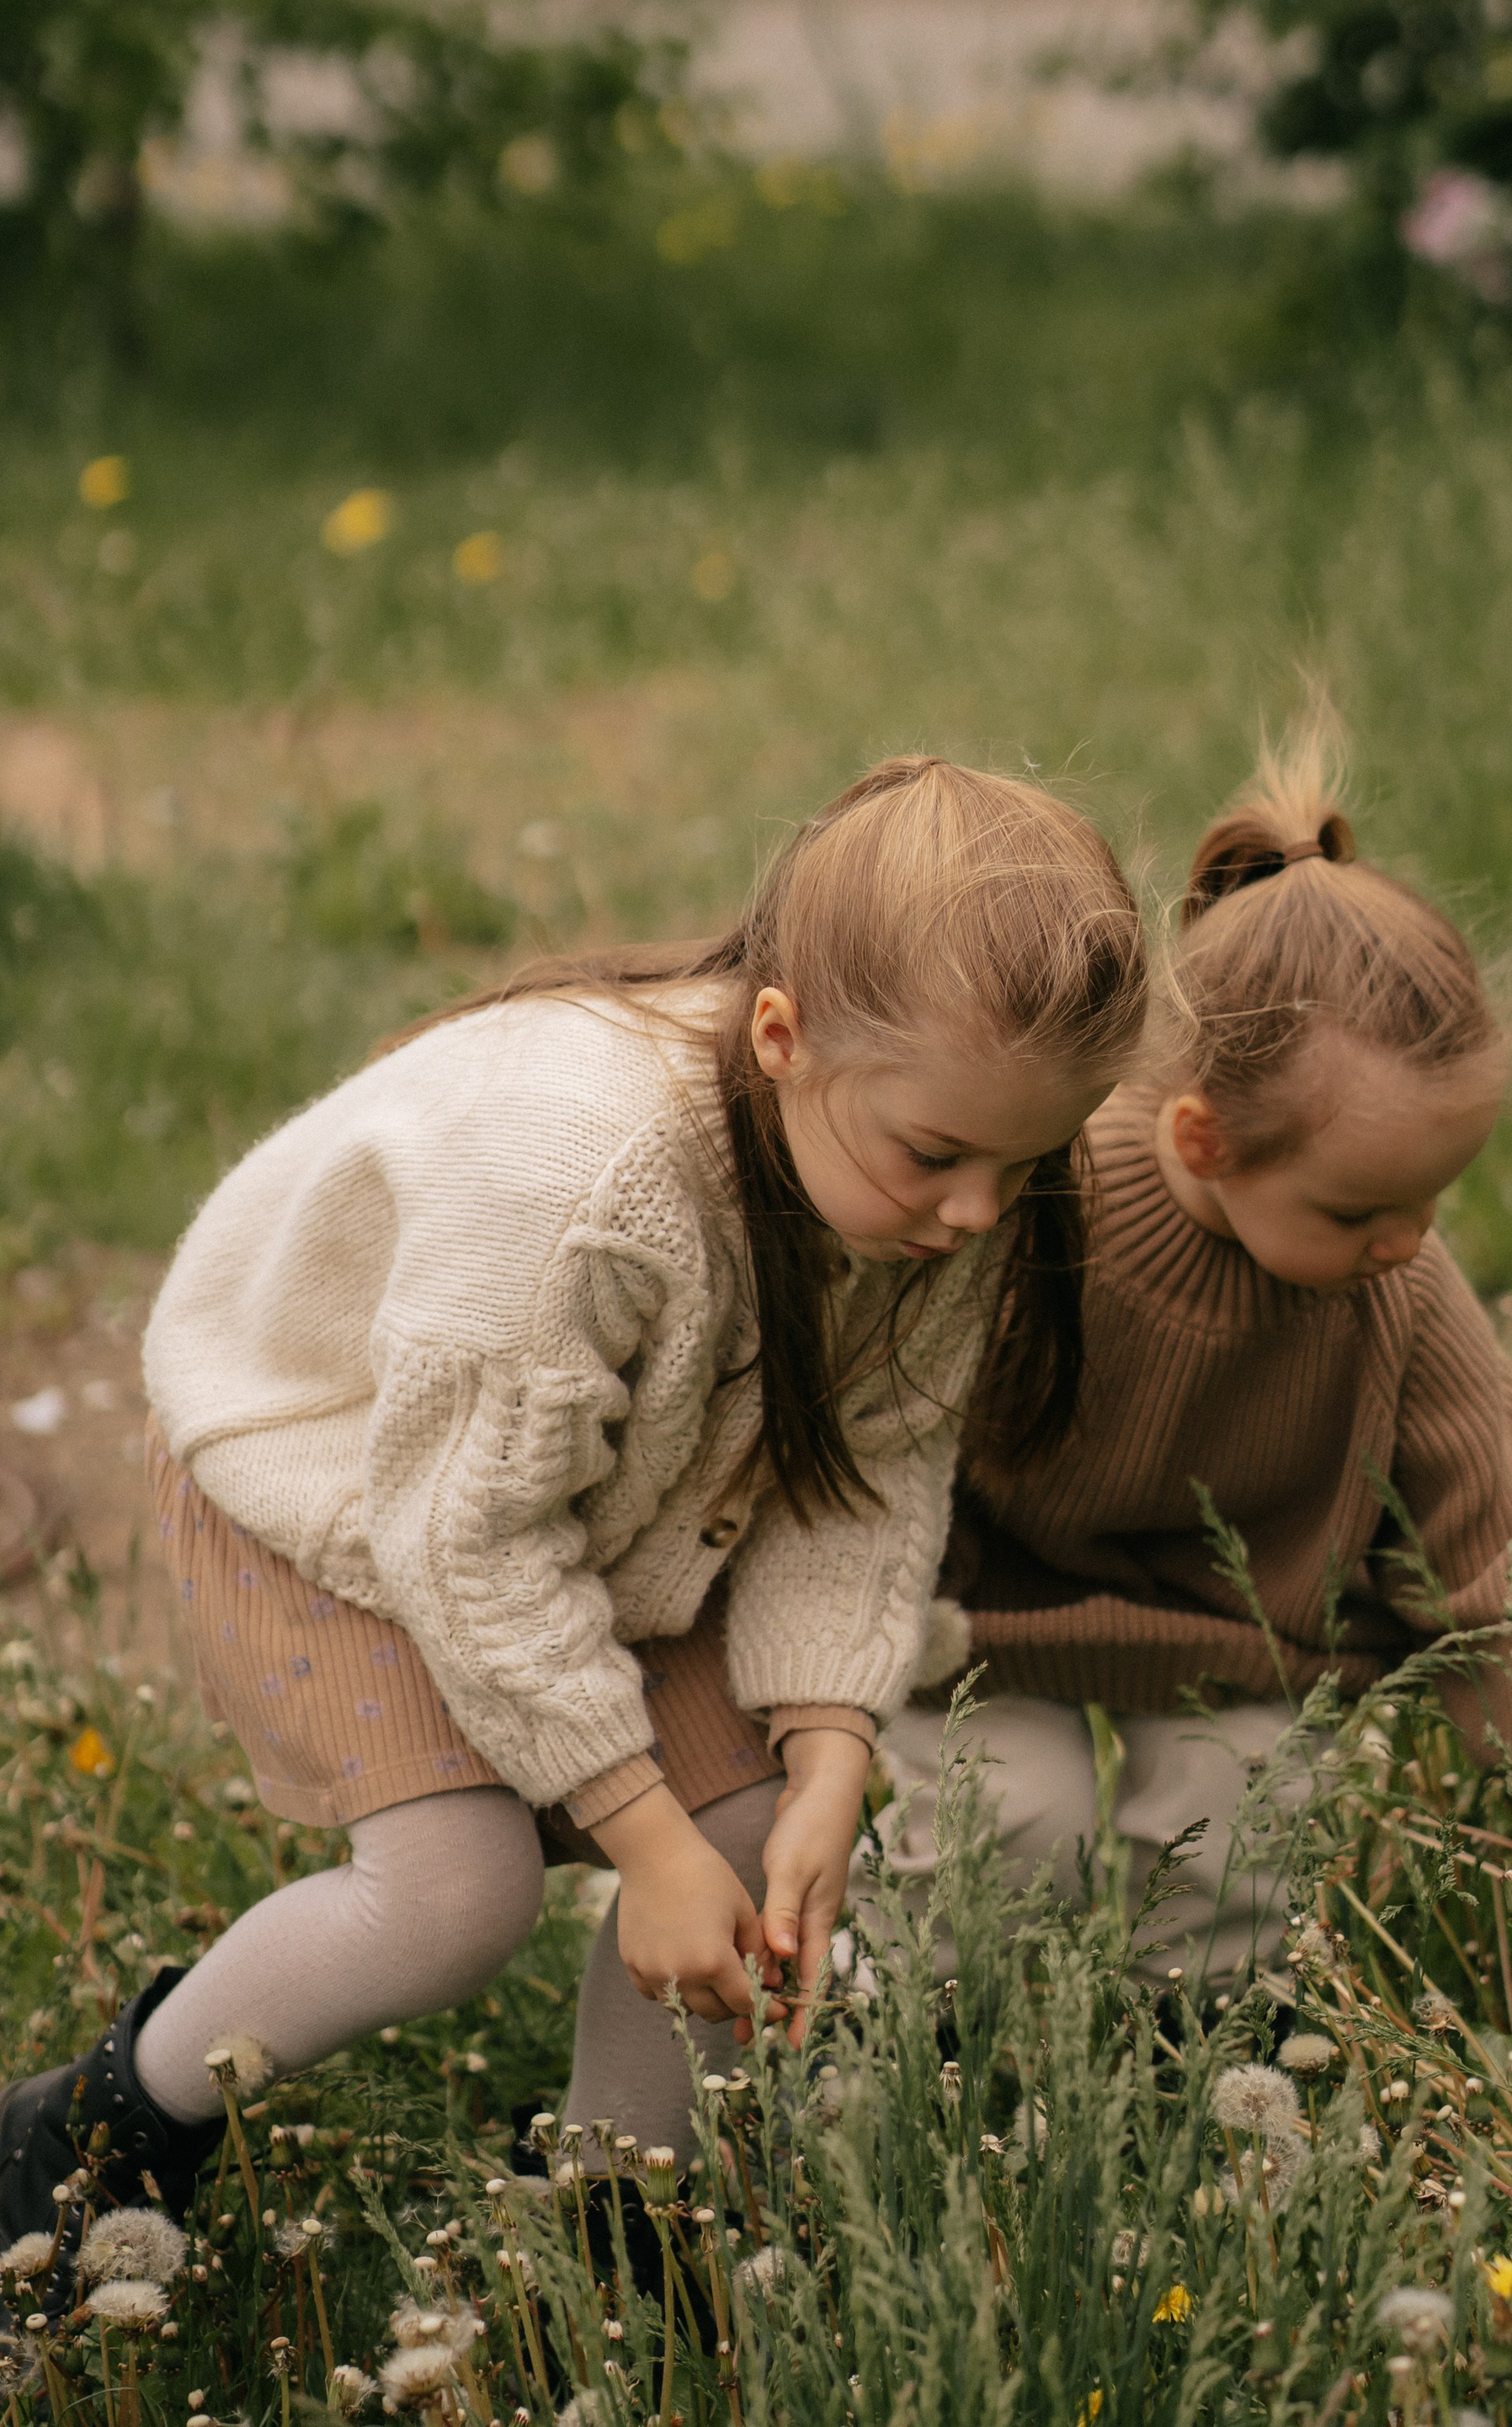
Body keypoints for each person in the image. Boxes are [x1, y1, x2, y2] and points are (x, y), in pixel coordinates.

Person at [0, 756, 1147, 2251]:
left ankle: (616, 2232)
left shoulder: (941, 1186)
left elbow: (864, 1473)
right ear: (784, 1037)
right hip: (334, 1477)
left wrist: (827, 1753)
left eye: (1026, 1161)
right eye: (938, 1155)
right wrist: (639, 1837)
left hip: (589, 1502)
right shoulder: (584, 1180)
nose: (983, 1212)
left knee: (743, 1841)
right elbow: (464, 1538)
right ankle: (90, 2133)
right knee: (454, 1894)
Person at [876, 728, 1512, 1977]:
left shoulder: (1399, 1286)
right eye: (1358, 1212)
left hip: (1239, 1638)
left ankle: (1193, 2053)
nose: (1408, 1244)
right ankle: (909, 2050)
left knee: (1239, 1839)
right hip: (990, 1617)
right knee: (1011, 1828)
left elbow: (1498, 1513)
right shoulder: (1033, 1208)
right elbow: (886, 1412)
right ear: (1203, 1141)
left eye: (1432, 1203)